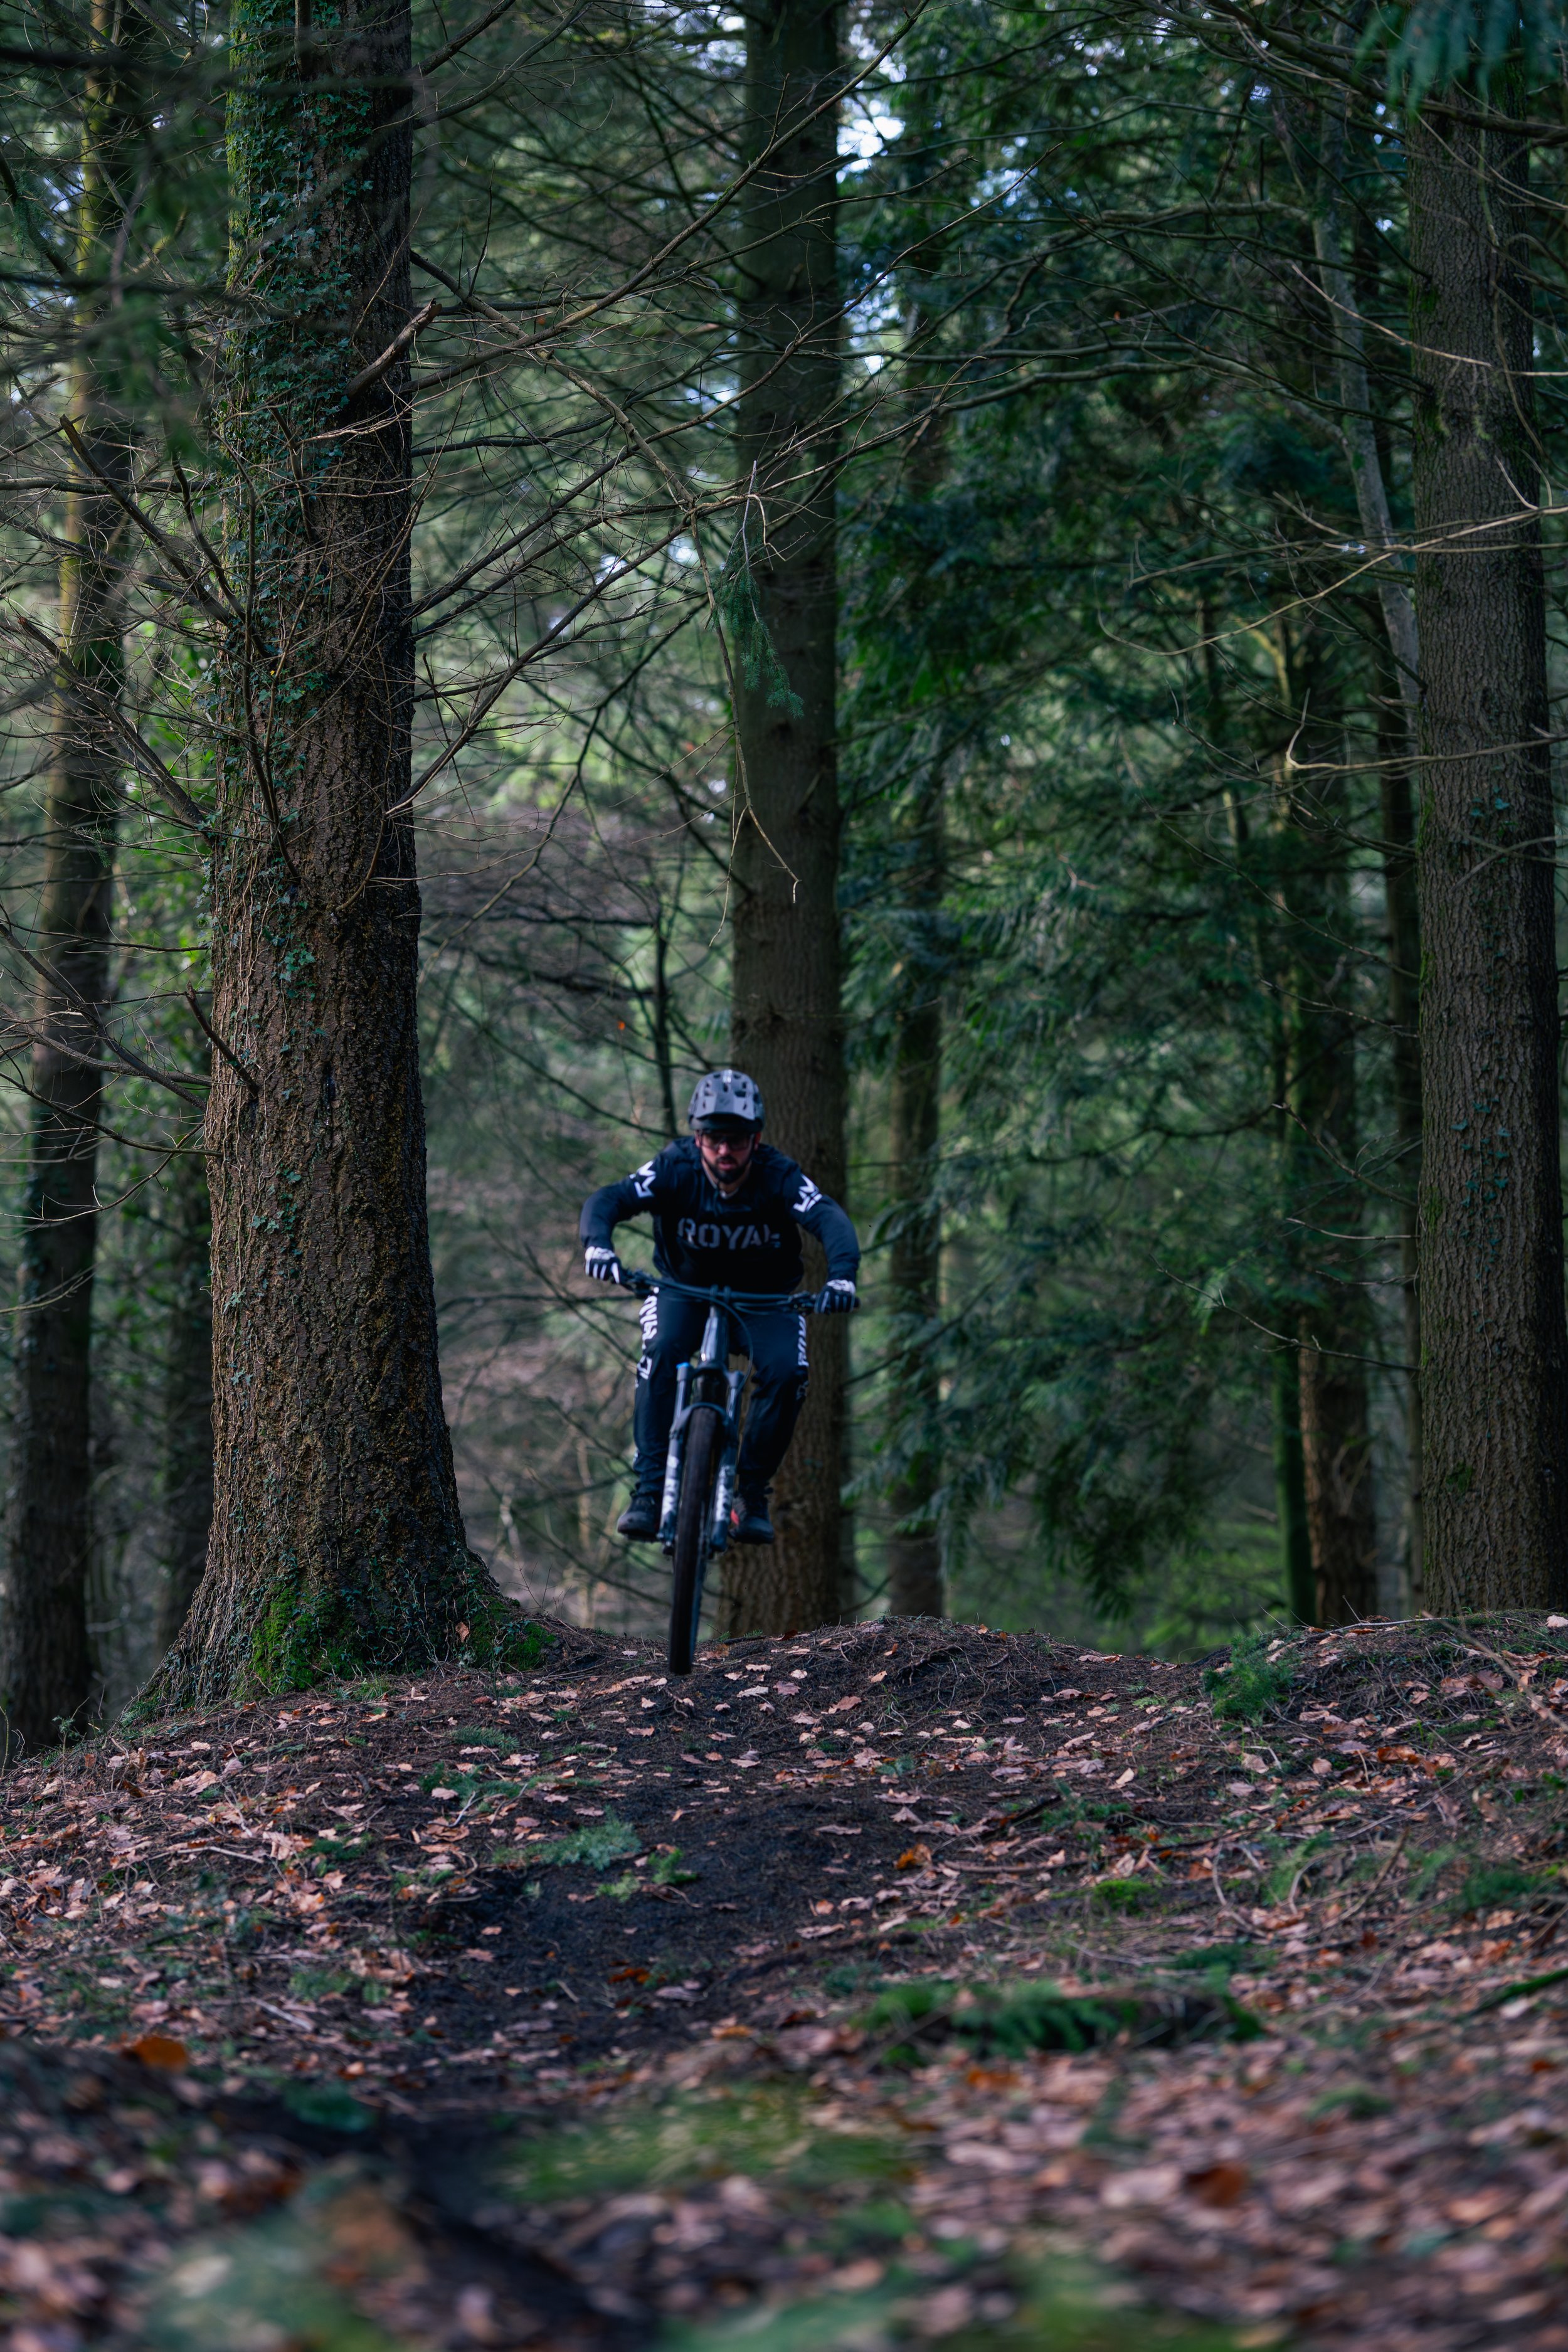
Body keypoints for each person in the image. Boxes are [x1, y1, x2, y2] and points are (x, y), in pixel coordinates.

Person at [579, 1068, 859, 1545]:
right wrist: (598, 1247)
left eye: (736, 1139)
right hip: (684, 1290)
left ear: (757, 1139)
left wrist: (842, 1277)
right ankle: (648, 1492)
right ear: (697, 1137)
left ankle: (749, 1493)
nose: (724, 1151)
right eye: (712, 1139)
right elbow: (611, 1198)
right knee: (661, 1352)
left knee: (788, 1373)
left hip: (765, 1298)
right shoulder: (673, 1168)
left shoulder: (779, 1176)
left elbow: (828, 1217)